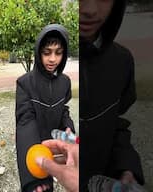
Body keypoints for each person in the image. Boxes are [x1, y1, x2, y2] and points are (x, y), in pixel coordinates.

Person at [79, 0, 144, 191]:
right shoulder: (49, 62)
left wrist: (125, 167)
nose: (90, 10)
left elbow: (116, 122)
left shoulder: (122, 62)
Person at [15, 24, 75, 192]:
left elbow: (64, 109)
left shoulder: (65, 82)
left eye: (58, 52)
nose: (52, 59)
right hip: (34, 144)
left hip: (55, 144)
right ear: (38, 52)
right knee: (42, 185)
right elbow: (25, 122)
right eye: (47, 52)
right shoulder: (24, 83)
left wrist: (69, 129)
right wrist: (32, 174)